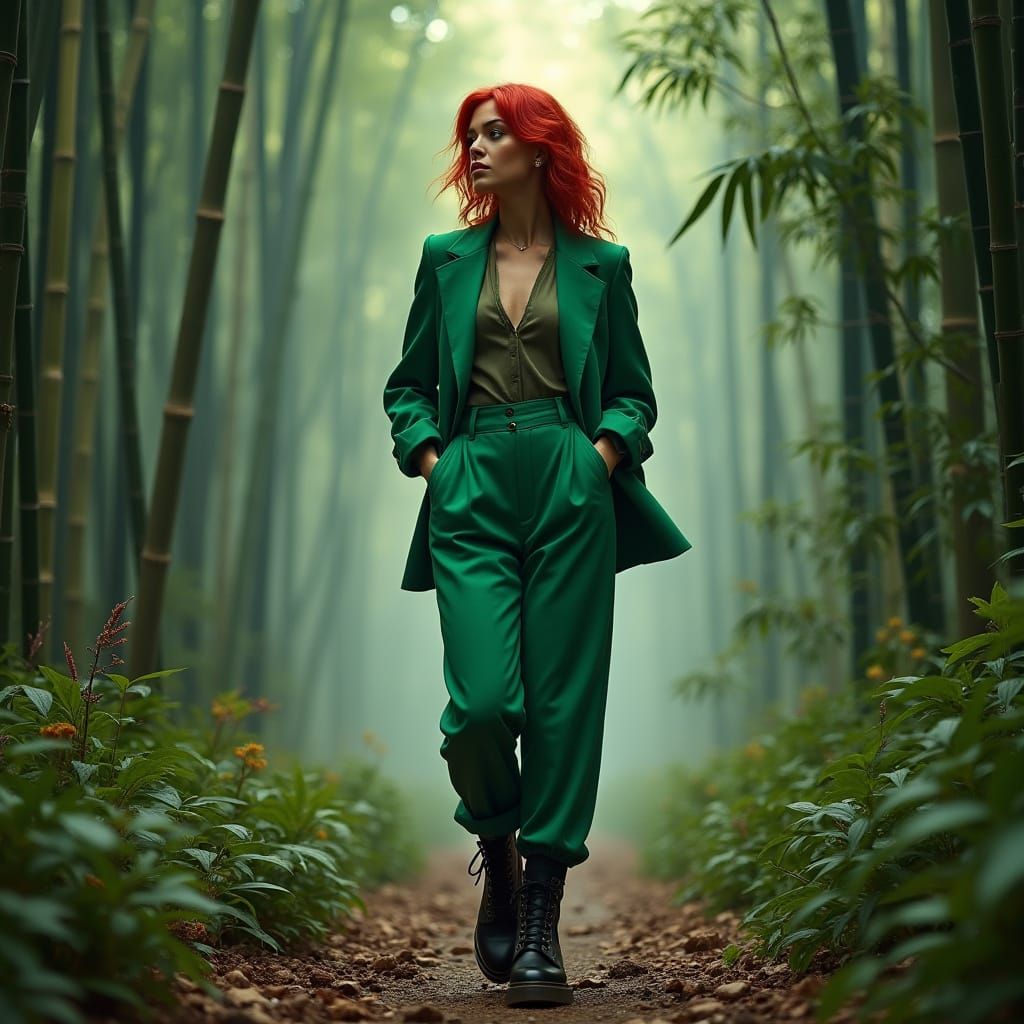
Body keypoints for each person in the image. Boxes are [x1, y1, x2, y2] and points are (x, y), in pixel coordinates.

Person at [382, 83, 692, 1008]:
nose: (475, 148)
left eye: (493, 133)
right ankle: (501, 845)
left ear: (537, 146)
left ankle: (539, 926)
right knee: (480, 704)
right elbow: (406, 387)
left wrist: (601, 454)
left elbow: (633, 392)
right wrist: (432, 459)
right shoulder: (444, 259)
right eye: (469, 136)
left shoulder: (604, 263)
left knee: (563, 705)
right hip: (470, 479)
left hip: (569, 476)